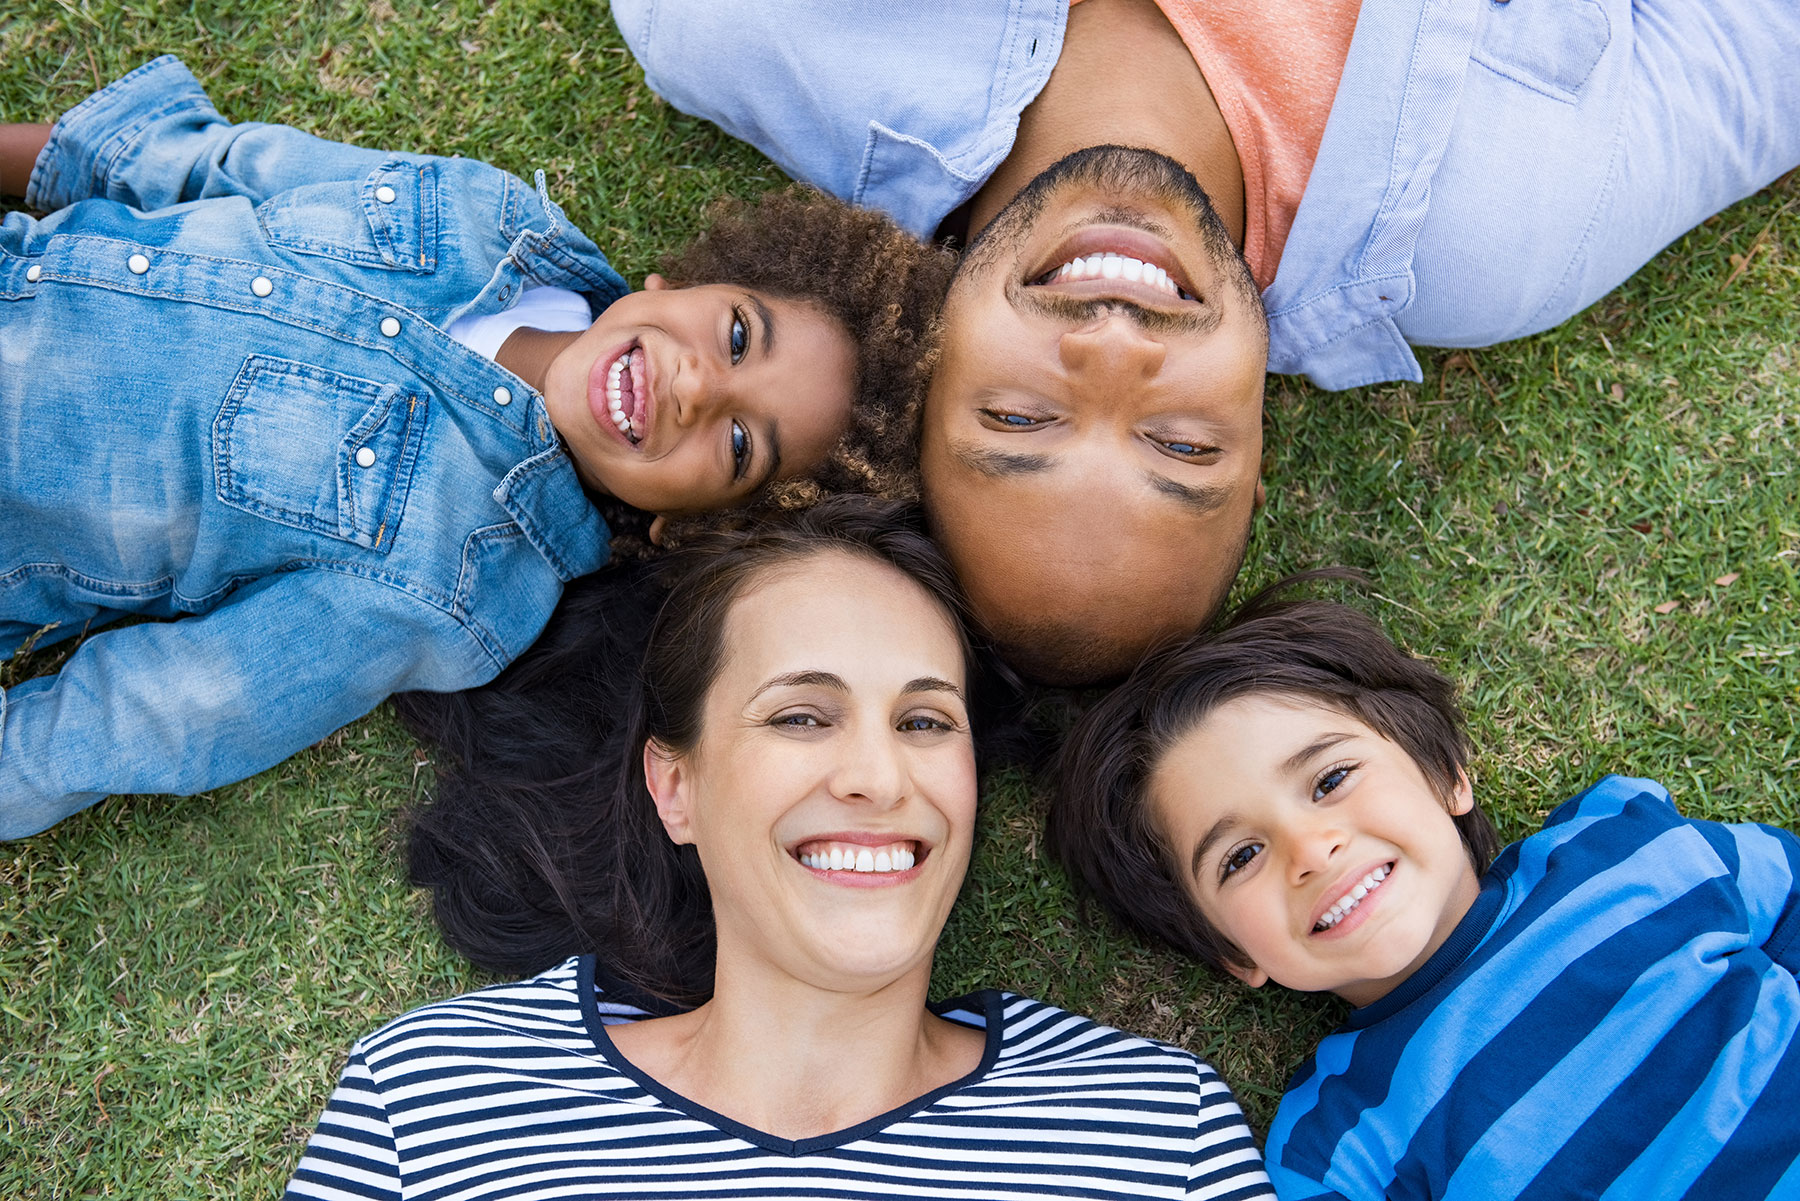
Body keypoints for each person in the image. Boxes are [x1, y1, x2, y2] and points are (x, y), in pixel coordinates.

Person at [610, 0, 1800, 683]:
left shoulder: (745, 26)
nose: (1116, 351)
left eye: (1020, 419)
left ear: (920, 375)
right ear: (1258, 430)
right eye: (1181, 443)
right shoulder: (1501, 227)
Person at [0, 57, 952, 837]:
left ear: (681, 527)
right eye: (738, 334)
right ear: (682, 282)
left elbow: (182, 704)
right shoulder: (482, 214)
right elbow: (223, 167)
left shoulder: (455, 579)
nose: (699, 384)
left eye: (742, 444)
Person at [283, 499, 1275, 1200]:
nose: (879, 779)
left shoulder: (1149, 1133)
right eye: (803, 716)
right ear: (677, 787)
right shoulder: (437, 1102)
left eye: (927, 722)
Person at [1048, 593, 1800, 1199]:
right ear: (1230, 951)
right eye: (1241, 855)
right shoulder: (1334, 1145)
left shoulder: (1620, 848)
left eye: (1330, 779)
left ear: (1445, 774)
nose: (1311, 851)